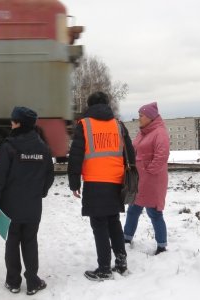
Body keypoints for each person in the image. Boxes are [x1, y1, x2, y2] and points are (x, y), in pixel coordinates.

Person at [67, 92, 135, 281]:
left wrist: (74, 182)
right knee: (113, 221)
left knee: (99, 224)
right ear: (107, 105)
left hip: (94, 182)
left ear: (89, 105)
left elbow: (76, 155)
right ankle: (121, 263)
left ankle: (104, 267)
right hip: (116, 181)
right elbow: (130, 152)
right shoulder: (118, 125)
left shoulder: (84, 124)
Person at [0, 106, 54, 295]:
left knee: (12, 241)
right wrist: (41, 192)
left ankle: (13, 282)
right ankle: (33, 281)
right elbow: (49, 175)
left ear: (17, 123)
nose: (11, 123)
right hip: (33, 206)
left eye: (12, 120)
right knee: (30, 242)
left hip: (11, 206)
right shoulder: (43, 146)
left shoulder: (8, 146)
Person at [123, 101, 170, 255]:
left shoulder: (159, 132)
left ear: (150, 117)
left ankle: (162, 246)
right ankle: (126, 238)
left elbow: (161, 155)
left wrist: (149, 171)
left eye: (141, 115)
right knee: (133, 209)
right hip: (140, 180)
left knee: (154, 213)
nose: (139, 118)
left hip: (152, 181)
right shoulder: (143, 132)